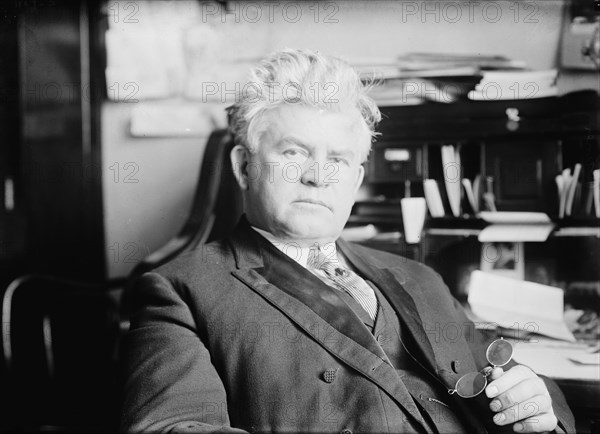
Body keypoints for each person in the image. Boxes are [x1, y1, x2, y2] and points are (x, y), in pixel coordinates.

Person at [121, 48, 575, 433]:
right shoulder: (179, 291)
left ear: (356, 179)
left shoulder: (420, 276)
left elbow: (510, 382)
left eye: (337, 159)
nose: (319, 176)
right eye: (293, 152)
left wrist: (535, 408)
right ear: (243, 166)